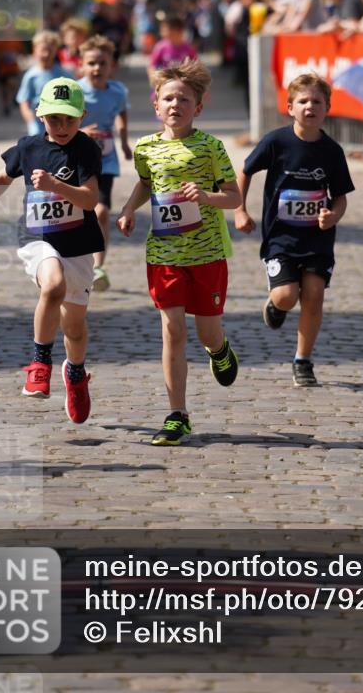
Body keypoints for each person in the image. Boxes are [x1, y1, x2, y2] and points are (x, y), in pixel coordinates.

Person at [0, 77, 104, 424]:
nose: (61, 126)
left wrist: (56, 185)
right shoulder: (28, 148)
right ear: (40, 114)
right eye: (54, 118)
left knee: (75, 327)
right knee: (52, 285)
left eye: (69, 118)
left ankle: (76, 373)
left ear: (82, 115)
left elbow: (90, 199)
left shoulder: (85, 149)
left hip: (77, 244)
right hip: (37, 238)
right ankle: (40, 361)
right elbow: (2, 177)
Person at [116, 59, 242, 446]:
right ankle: (177, 415)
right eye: (168, 98)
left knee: (207, 332)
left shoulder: (210, 147)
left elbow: (234, 196)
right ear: (156, 106)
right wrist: (127, 209)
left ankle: (219, 350)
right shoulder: (146, 148)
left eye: (184, 99)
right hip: (164, 254)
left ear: (197, 107)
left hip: (207, 254)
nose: (175, 104)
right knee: (172, 330)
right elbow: (144, 183)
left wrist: (206, 196)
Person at [234, 73, 354, 387]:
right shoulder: (276, 142)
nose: (310, 106)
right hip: (281, 238)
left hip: (317, 239)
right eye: (303, 101)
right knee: (288, 296)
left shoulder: (332, 151)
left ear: (327, 108)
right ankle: (276, 305)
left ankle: (303, 360)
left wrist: (333, 216)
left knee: (313, 296)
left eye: (317, 102)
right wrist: (240, 209)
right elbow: (245, 171)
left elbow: (340, 196)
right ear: (290, 107)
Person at [78, 35, 132, 292]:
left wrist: (123, 141)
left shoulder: (118, 91)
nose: (97, 68)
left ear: (112, 66)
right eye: (91, 63)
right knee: (78, 212)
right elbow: (60, 121)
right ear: (82, 65)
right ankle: (74, 260)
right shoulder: (74, 91)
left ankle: (99, 266)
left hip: (105, 159)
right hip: (77, 157)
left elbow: (122, 113)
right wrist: (81, 132)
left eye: (102, 63)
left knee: (100, 211)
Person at [17, 31, 66, 136]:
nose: (46, 54)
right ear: (35, 50)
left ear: (56, 51)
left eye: (50, 50)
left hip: (59, 118)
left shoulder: (63, 74)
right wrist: (28, 116)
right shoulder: (31, 76)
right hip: (38, 120)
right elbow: (23, 100)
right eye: (43, 50)